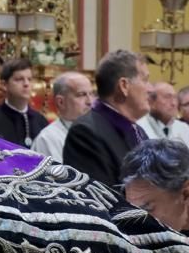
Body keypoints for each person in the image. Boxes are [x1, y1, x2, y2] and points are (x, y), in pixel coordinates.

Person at [63, 49, 151, 187]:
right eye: (145, 80)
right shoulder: (86, 133)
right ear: (124, 86)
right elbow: (99, 197)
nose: (150, 89)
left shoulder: (138, 130)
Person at [0, 58, 49, 147]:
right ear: (4, 85)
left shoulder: (41, 121)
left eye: (29, 79)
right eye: (19, 79)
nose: (26, 84)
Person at [31, 71, 94, 161]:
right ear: (61, 102)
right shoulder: (48, 139)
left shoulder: (98, 131)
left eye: (91, 94)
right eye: (81, 95)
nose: (90, 102)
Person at [137, 82, 189, 160]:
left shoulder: (184, 128)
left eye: (175, 98)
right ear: (151, 102)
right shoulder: (139, 127)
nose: (174, 103)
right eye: (168, 97)